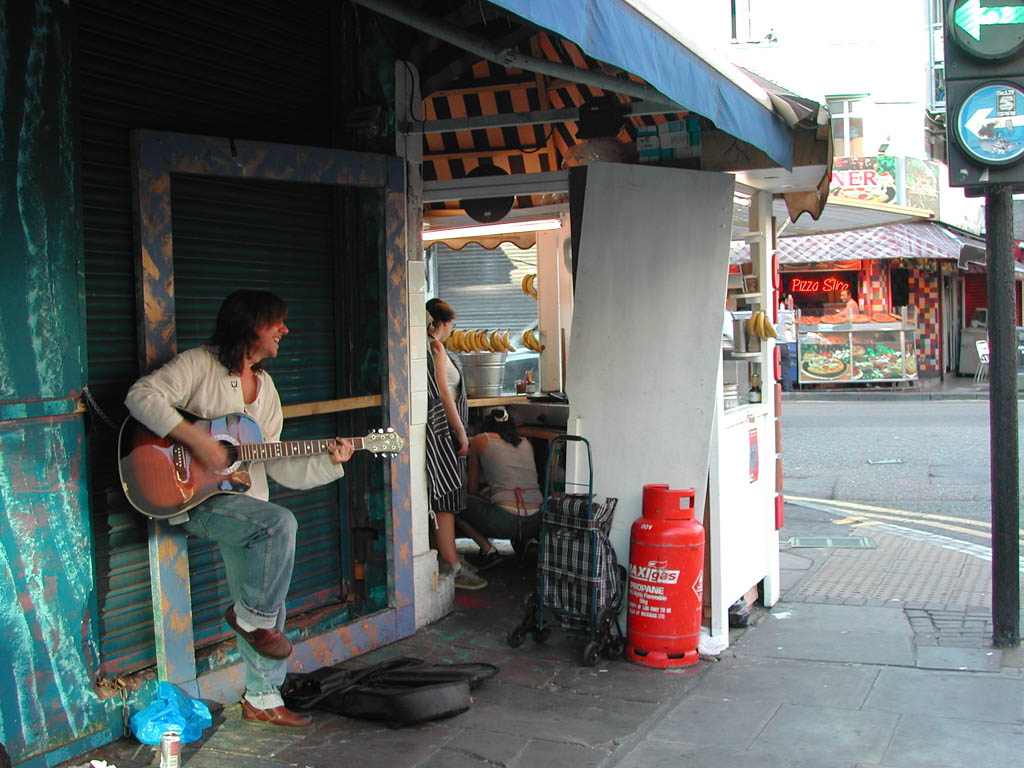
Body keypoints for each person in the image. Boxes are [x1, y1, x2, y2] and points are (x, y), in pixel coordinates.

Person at [125, 290, 354, 728]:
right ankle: (251, 621)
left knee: (265, 596)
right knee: (279, 531)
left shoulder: (265, 387)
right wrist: (200, 443)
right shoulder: (198, 365)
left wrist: (329, 459)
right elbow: (141, 397)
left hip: (248, 507)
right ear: (250, 325)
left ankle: (262, 698)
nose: (284, 330)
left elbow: (273, 460)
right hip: (192, 498)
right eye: (276, 322)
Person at [424, 298, 490, 589]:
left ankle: (450, 558)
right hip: (444, 432)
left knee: (447, 497)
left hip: (443, 431)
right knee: (446, 498)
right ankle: (451, 564)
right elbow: (444, 393)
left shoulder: (431, 346)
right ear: (445, 323)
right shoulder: (435, 347)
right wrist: (461, 431)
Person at [466, 407, 543, 556]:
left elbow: (472, 489)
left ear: (486, 427)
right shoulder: (527, 443)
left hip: (503, 522)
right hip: (535, 522)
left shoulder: (480, 440)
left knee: (452, 503)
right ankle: (528, 541)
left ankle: (488, 551)